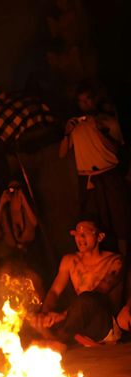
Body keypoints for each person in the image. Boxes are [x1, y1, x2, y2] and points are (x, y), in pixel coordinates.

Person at [59, 82, 129, 256]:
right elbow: (61, 153)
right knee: (94, 224)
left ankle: (125, 262)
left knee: (121, 221)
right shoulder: (74, 125)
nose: (85, 104)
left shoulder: (107, 121)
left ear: (94, 100)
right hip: (87, 179)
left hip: (109, 175)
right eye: (81, 101)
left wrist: (99, 131)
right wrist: (67, 133)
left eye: (88, 100)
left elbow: (116, 151)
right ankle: (101, 263)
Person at [28, 218, 122, 347]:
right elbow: (55, 292)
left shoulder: (115, 262)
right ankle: (61, 338)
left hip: (103, 324)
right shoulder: (70, 260)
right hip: (78, 321)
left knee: (86, 299)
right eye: (77, 234)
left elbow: (98, 294)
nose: (80, 238)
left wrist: (63, 315)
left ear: (100, 237)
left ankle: (58, 341)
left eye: (85, 233)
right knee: (31, 318)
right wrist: (45, 314)